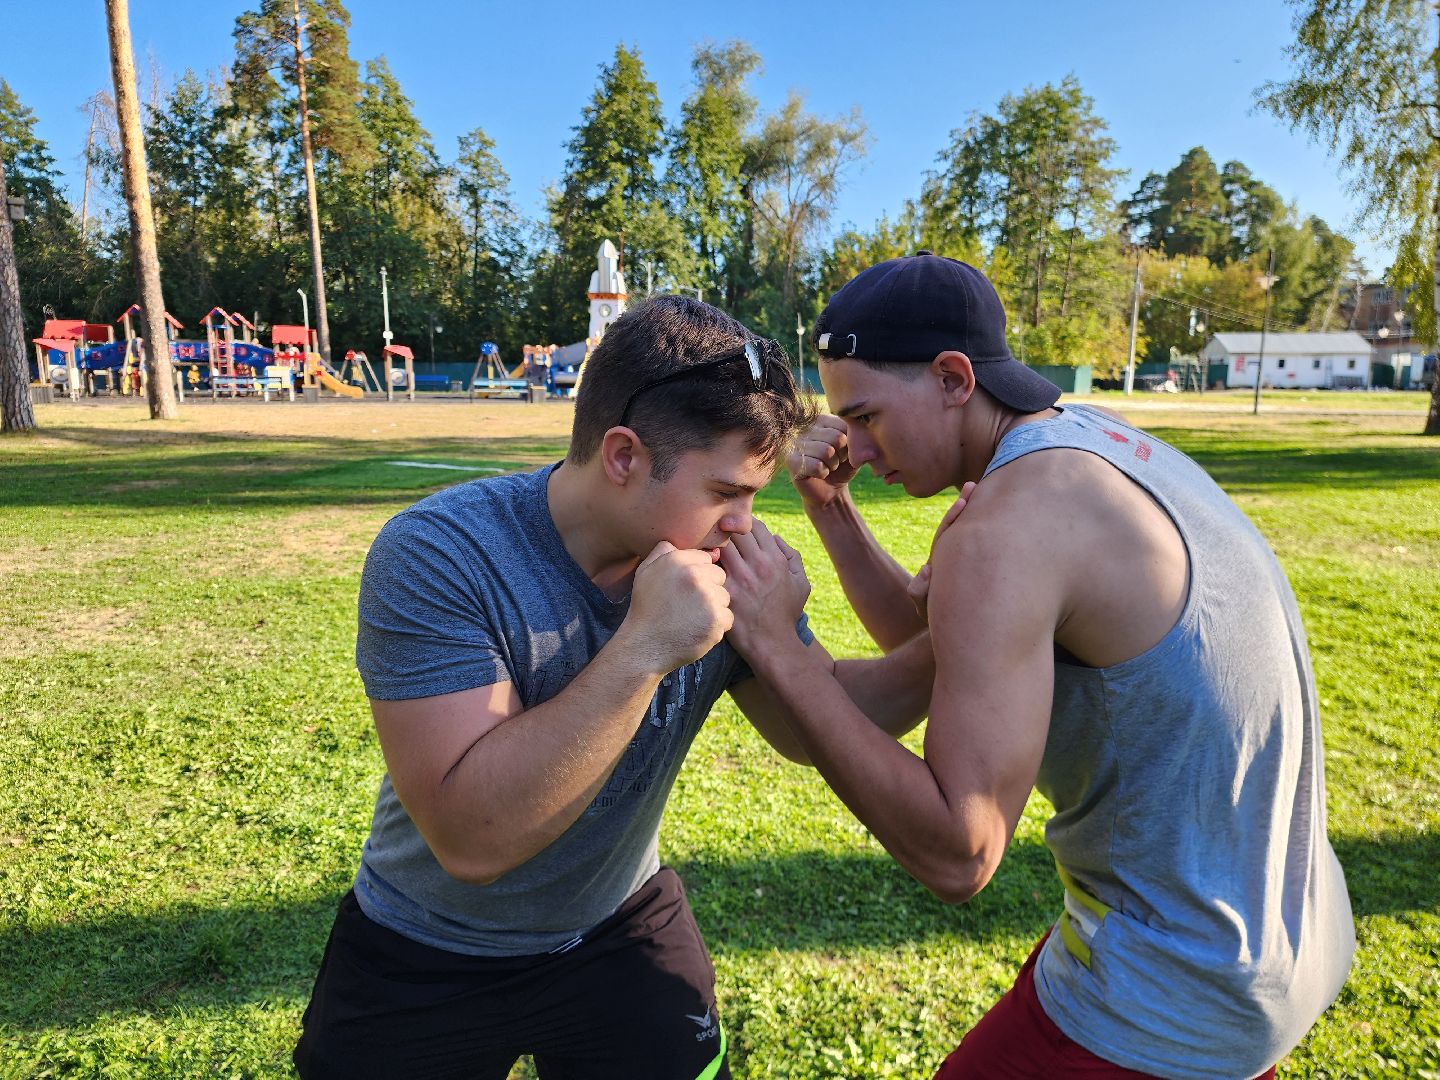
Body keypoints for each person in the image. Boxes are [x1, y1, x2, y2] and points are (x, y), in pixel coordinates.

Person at [718, 253, 1355, 1079]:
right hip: (1281, 933)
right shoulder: (1089, 444)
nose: (859, 452)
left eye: (867, 416)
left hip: (1176, 984)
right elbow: (948, 647)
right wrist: (832, 513)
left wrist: (774, 646)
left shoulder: (1007, 525)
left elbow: (960, 851)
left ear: (952, 378)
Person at [293, 296, 837, 1079]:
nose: (745, 526)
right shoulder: (440, 552)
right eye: (725, 493)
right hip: (425, 942)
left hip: (618, 922)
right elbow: (471, 838)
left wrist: (916, 620)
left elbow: (814, 732)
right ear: (623, 457)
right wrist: (645, 646)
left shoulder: (717, 567)